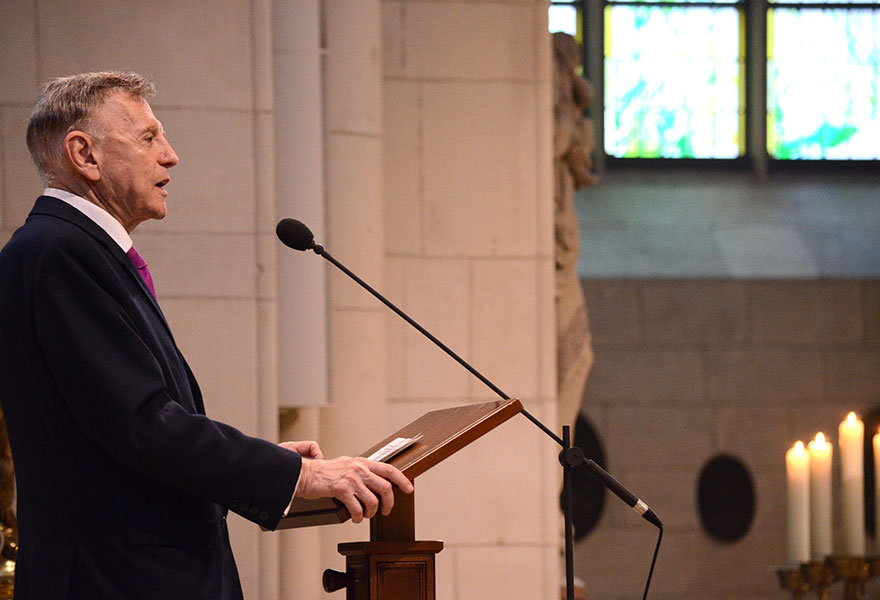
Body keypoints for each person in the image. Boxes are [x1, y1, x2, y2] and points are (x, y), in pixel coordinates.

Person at [0, 71, 413, 600]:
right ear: (85, 155)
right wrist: (294, 476)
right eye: (148, 138)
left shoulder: (74, 251)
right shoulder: (59, 252)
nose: (170, 156)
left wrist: (260, 464)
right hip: (117, 580)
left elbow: (116, 439)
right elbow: (141, 425)